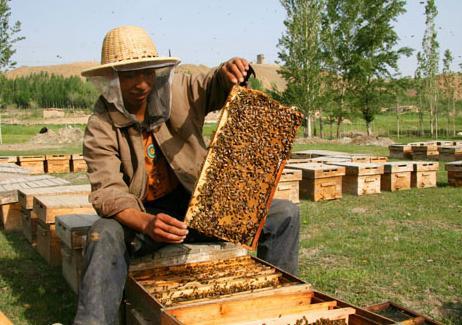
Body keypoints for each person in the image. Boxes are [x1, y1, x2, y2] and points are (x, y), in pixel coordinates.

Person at [74, 25, 300, 324]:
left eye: (146, 72)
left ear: (157, 70)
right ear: (112, 77)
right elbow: (108, 192)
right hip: (145, 221)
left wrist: (227, 71)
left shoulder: (178, 89)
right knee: (103, 233)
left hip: (201, 210)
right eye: (129, 74)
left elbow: (211, 85)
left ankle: (278, 307)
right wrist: (146, 222)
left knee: (284, 213)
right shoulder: (101, 124)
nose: (140, 83)